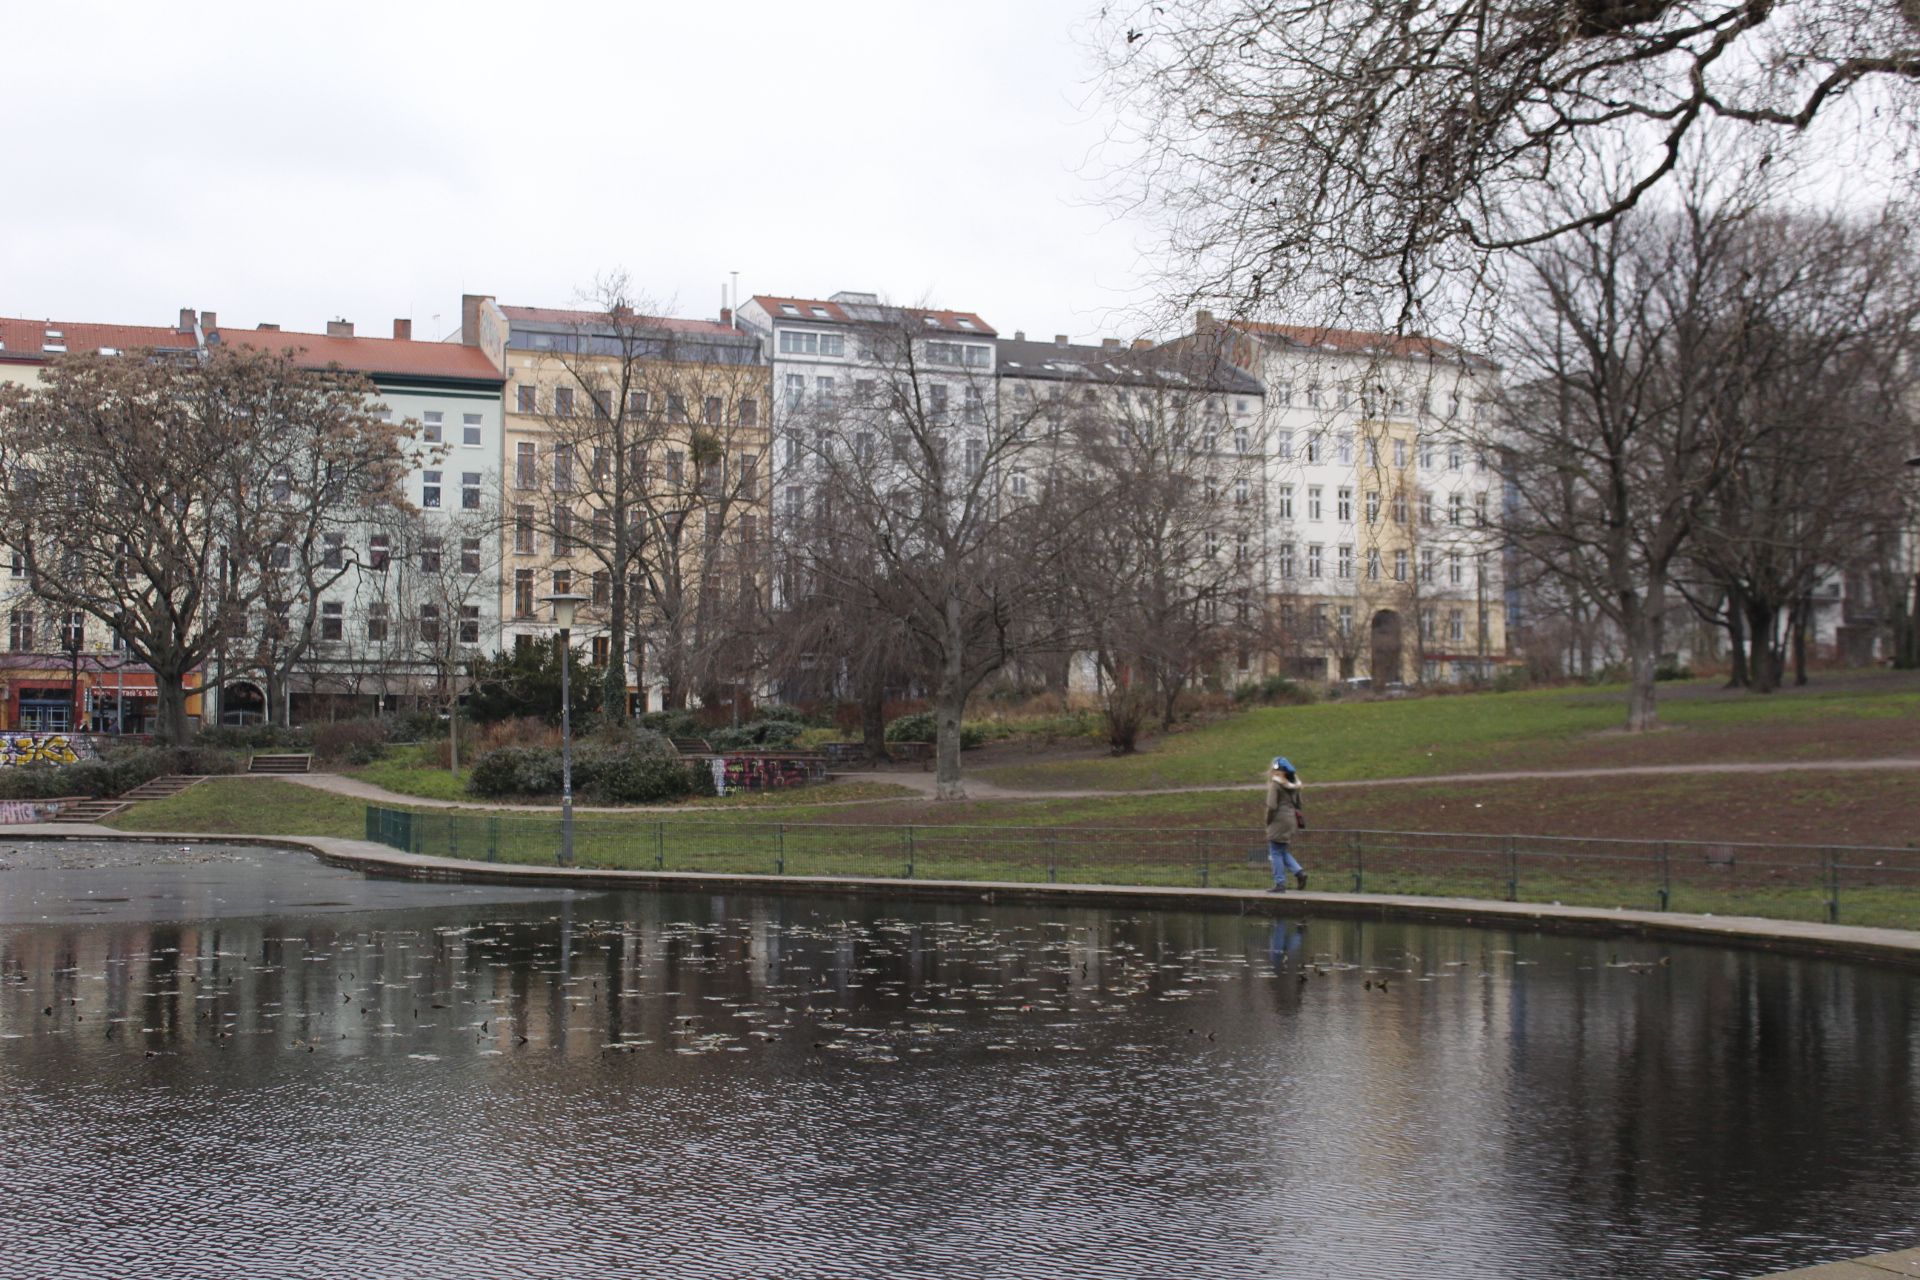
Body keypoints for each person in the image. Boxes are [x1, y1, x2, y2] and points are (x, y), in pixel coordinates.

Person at [1264, 756, 1307, 893]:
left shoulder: (1276, 784)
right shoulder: (1295, 785)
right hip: (1291, 820)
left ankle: (1280, 884)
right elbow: (1299, 804)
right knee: (1281, 850)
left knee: (1275, 851)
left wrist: (1268, 822)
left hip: (1278, 820)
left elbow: (1271, 806)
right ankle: (1299, 873)